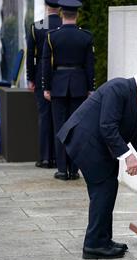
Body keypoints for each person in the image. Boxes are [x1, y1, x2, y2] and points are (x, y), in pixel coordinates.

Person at [57, 73, 137, 259]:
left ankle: (103, 240)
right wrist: (128, 157)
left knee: (109, 187)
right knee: (102, 189)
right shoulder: (118, 88)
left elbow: (136, 135)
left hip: (97, 145)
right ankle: (93, 245)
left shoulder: (128, 95)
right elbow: (107, 126)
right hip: (86, 142)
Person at [42, 0, 95, 181]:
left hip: (58, 86)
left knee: (60, 127)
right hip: (79, 87)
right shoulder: (86, 37)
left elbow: (46, 65)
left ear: (62, 14)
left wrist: (46, 87)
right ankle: (74, 169)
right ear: (77, 15)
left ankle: (62, 169)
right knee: (77, 129)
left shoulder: (52, 36)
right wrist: (90, 88)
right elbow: (89, 66)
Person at [27, 0, 62, 169]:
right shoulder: (65, 26)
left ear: (46, 7)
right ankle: (58, 158)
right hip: (61, 76)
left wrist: (31, 78)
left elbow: (30, 56)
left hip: (41, 73)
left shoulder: (37, 27)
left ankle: (45, 158)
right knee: (59, 117)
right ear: (60, 7)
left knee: (44, 116)